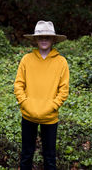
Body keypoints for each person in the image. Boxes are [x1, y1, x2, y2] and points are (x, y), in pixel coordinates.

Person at [14, 20, 69, 170]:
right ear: (36, 39)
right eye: (41, 37)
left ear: (53, 40)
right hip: (28, 114)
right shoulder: (26, 60)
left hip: (50, 117)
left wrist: (53, 105)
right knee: (26, 155)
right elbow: (19, 84)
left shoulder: (61, 62)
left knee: (50, 157)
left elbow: (64, 89)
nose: (44, 40)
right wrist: (25, 103)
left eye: (47, 37)